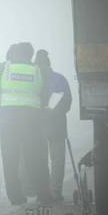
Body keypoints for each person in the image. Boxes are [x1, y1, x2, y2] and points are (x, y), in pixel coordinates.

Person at [0, 42, 53, 205]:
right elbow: (46, 94)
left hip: (8, 121)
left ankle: (15, 197)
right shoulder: (38, 70)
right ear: (30, 55)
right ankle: (43, 194)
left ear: (14, 53)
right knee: (35, 157)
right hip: (32, 121)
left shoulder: (3, 69)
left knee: (10, 159)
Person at [35, 49, 72, 202]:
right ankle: (55, 192)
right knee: (57, 160)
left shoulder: (33, 80)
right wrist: (53, 112)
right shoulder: (59, 79)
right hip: (56, 125)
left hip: (38, 126)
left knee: (39, 160)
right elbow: (67, 103)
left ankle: (43, 193)